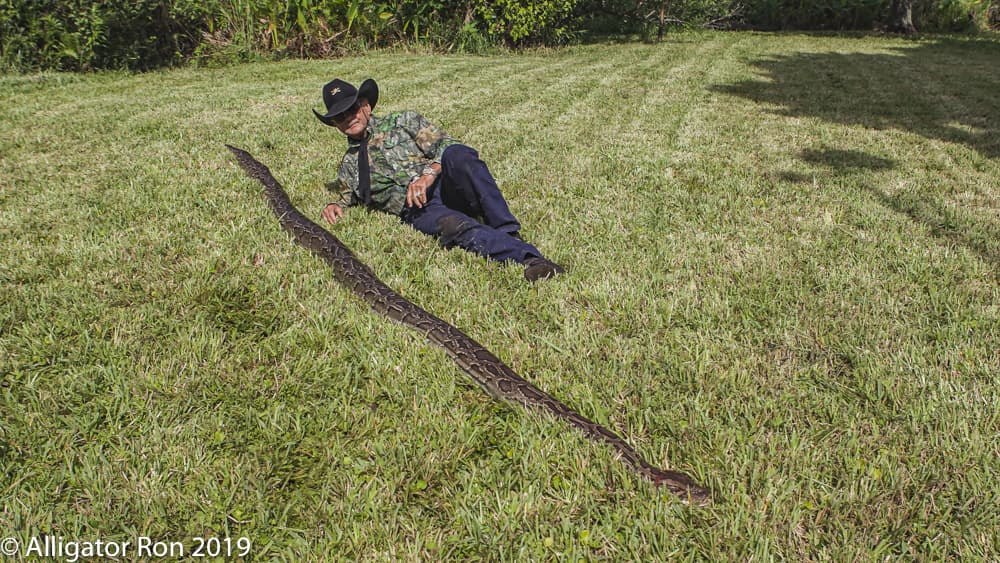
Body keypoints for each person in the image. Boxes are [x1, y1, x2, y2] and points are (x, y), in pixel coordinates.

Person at [314, 78, 565, 282]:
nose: (348, 117)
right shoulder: (348, 165)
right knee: (455, 226)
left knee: (460, 155)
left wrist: (428, 174)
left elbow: (448, 144)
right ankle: (530, 259)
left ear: (366, 106)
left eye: (352, 109)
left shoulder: (403, 122)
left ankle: (508, 231)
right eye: (339, 116)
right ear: (335, 125)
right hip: (417, 210)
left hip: (446, 183)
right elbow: (346, 198)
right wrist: (335, 205)